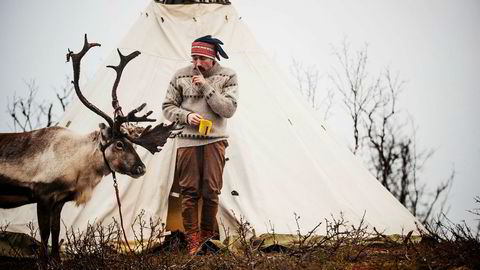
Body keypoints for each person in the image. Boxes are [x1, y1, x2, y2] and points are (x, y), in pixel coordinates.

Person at [162, 35, 239, 255]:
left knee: (211, 191)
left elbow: (228, 110)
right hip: (187, 141)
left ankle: (207, 239)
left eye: (201, 58)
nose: (196, 63)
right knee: (189, 191)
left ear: (213, 57)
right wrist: (186, 117)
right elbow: (167, 107)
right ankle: (192, 241)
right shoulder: (180, 75)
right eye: (194, 57)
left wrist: (206, 87)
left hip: (215, 140)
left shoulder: (228, 76)